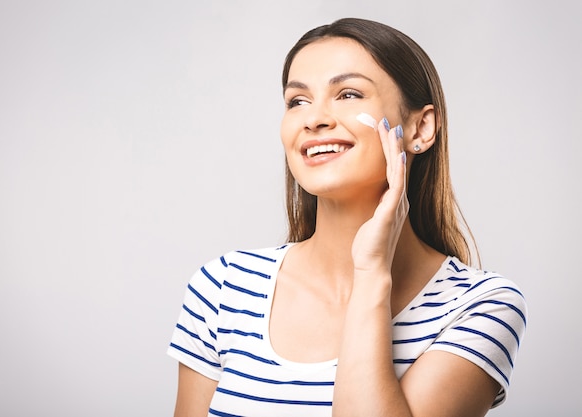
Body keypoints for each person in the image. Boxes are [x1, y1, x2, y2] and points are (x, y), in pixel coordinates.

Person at [167, 18, 527, 417]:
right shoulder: (223, 288)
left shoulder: (480, 305)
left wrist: (372, 275)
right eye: (297, 101)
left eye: (349, 93)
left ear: (420, 128)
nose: (313, 118)